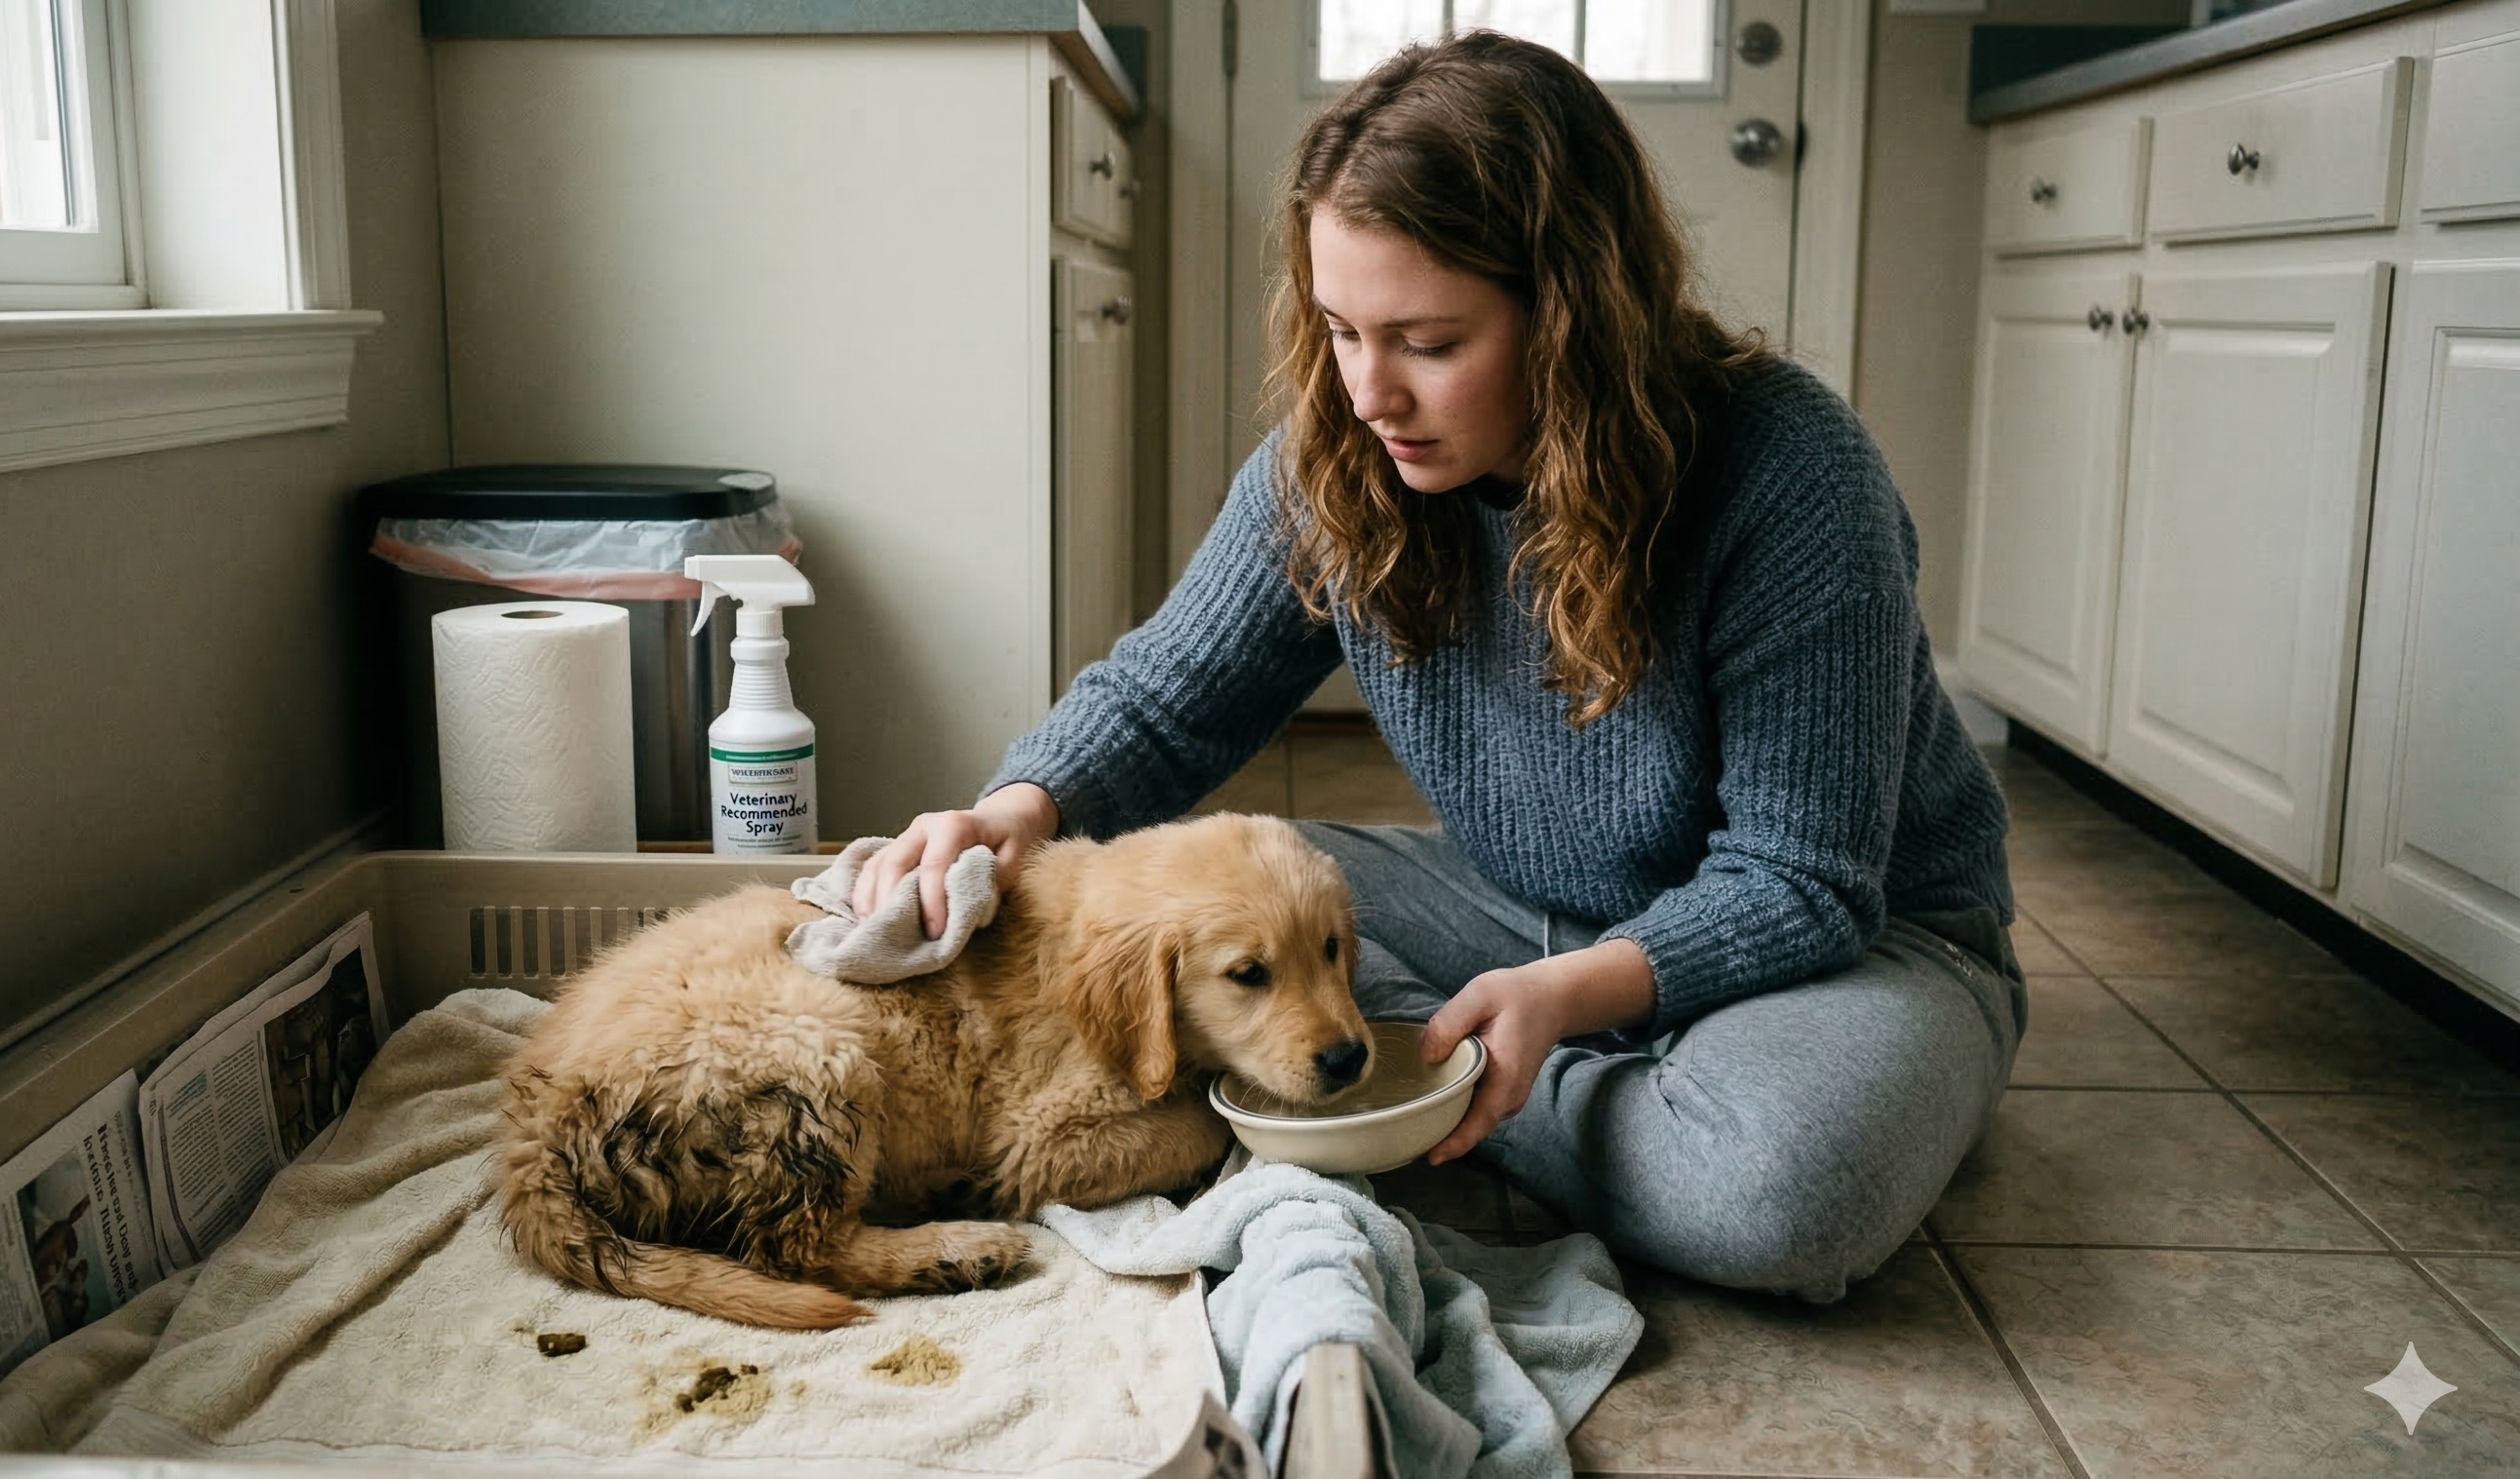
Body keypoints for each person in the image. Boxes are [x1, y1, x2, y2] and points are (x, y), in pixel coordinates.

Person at [855, 31, 2023, 1306]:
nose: (1369, 392)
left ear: (1576, 314)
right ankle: (1506, 1074)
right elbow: (1163, 702)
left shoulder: (1791, 476)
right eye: (1342, 329)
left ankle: (1459, 1084)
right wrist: (1012, 810)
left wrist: (1559, 1001)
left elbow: (1804, 881)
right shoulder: (1337, 459)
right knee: (1256, 913)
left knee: (1781, 1195)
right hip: (1527, 906)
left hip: (1859, 942)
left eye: (1426, 340)